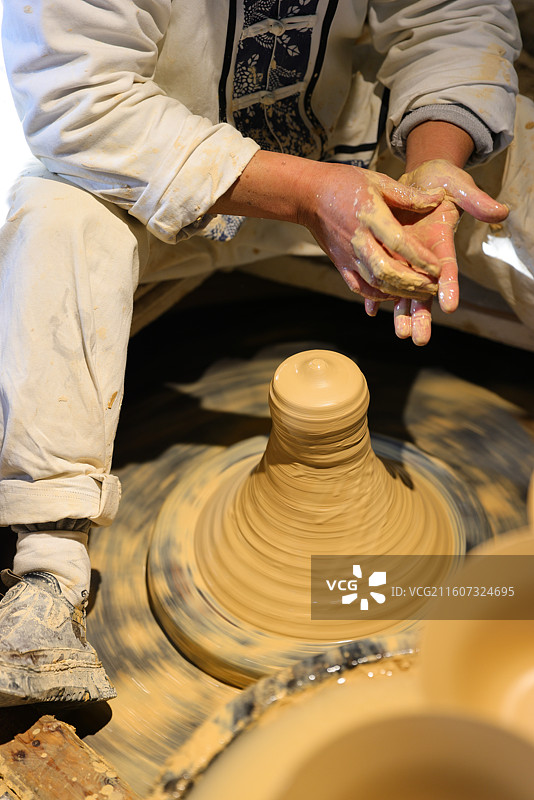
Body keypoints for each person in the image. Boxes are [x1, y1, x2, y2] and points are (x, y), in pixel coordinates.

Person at [0, 0, 527, 705]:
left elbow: (446, 15)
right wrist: (310, 196)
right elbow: (80, 103)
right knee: (50, 217)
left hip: (358, 153)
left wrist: (434, 166)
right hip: (147, 170)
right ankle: (46, 573)